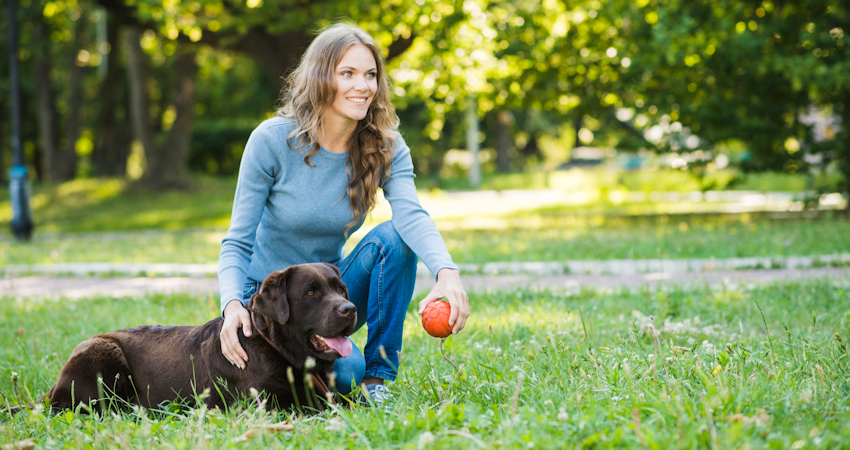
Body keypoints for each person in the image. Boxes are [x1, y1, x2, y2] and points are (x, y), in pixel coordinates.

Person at [217, 23, 470, 405]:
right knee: (342, 374)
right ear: (321, 78)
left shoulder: (386, 146)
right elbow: (236, 241)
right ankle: (354, 374)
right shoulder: (271, 140)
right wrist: (232, 305)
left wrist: (446, 271)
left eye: (370, 75)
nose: (363, 85)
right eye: (347, 73)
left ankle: (378, 381)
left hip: (326, 294)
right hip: (269, 303)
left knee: (396, 240)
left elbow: (411, 215)